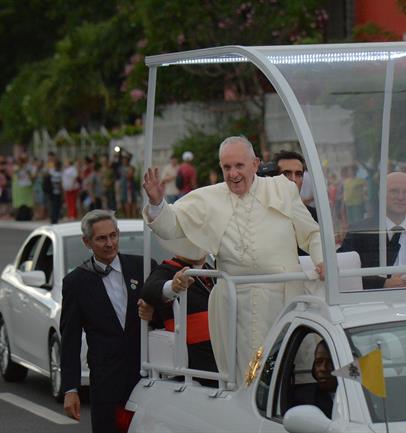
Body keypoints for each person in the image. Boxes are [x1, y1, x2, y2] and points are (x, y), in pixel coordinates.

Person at [142, 136, 323, 385]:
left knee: (285, 373)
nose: (233, 174)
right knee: (247, 377)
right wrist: (156, 203)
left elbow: (312, 233)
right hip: (237, 304)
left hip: (283, 298)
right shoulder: (209, 198)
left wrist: (321, 261)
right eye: (226, 167)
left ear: (255, 164)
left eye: (239, 166)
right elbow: (171, 226)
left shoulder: (282, 189)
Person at [60, 210, 154, 432]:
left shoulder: (143, 267)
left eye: (113, 235)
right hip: (106, 383)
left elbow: (166, 312)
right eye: (101, 238)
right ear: (87, 242)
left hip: (145, 377)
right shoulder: (76, 283)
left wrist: (154, 311)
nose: (110, 243)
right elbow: (70, 339)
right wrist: (70, 389)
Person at [340, 171, 406, 289]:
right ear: (381, 195)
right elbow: (345, 272)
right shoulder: (360, 232)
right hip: (376, 304)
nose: (401, 197)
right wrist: (383, 284)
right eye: (394, 191)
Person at [140, 238, 217, 378]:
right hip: (195, 366)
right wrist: (173, 287)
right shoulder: (168, 269)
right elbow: (149, 290)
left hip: (222, 356)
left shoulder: (213, 273)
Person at [291, 340, 337, 418]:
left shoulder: (359, 395)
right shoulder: (305, 400)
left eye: (330, 362)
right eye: (318, 362)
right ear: (313, 367)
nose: (323, 368)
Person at [273, 150, 317, 221]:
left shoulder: (314, 216)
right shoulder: (264, 214)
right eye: (286, 174)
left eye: (298, 174)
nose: (293, 179)